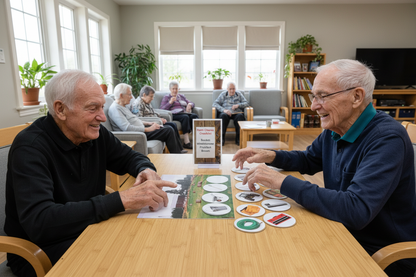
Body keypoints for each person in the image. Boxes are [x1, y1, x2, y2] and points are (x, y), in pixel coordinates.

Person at [233, 59, 416, 277]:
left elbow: (356, 210)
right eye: (313, 96)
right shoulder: (336, 127)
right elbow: (309, 159)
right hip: (339, 229)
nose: (313, 106)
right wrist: (271, 156)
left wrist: (280, 182)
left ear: (356, 96)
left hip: (375, 251)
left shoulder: (387, 138)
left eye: (323, 96)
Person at [4, 70, 176, 277]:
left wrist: (146, 170)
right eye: (92, 108)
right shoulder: (30, 148)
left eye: (102, 107)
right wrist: (121, 199)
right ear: (60, 109)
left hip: (88, 229)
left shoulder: (94, 133)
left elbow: (130, 157)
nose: (102, 117)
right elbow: (41, 222)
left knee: (151, 247)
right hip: (41, 249)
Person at [108, 83, 186, 154]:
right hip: (137, 134)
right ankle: (177, 155)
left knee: (169, 127)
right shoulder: (115, 109)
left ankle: (178, 151)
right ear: (121, 95)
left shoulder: (123, 106)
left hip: (141, 130)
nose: (131, 97)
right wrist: (149, 129)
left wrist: (148, 123)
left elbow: (135, 119)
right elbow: (127, 128)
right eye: (129, 95)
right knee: (168, 130)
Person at [159, 81, 198, 149]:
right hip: (173, 114)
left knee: (194, 116)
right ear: (170, 89)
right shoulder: (167, 97)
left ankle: (198, 139)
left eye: (176, 88)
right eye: (173, 88)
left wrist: (190, 105)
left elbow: (192, 103)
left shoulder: (181, 96)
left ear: (178, 89)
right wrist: (170, 102)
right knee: (185, 117)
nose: (175, 90)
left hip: (183, 113)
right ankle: (186, 142)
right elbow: (162, 109)